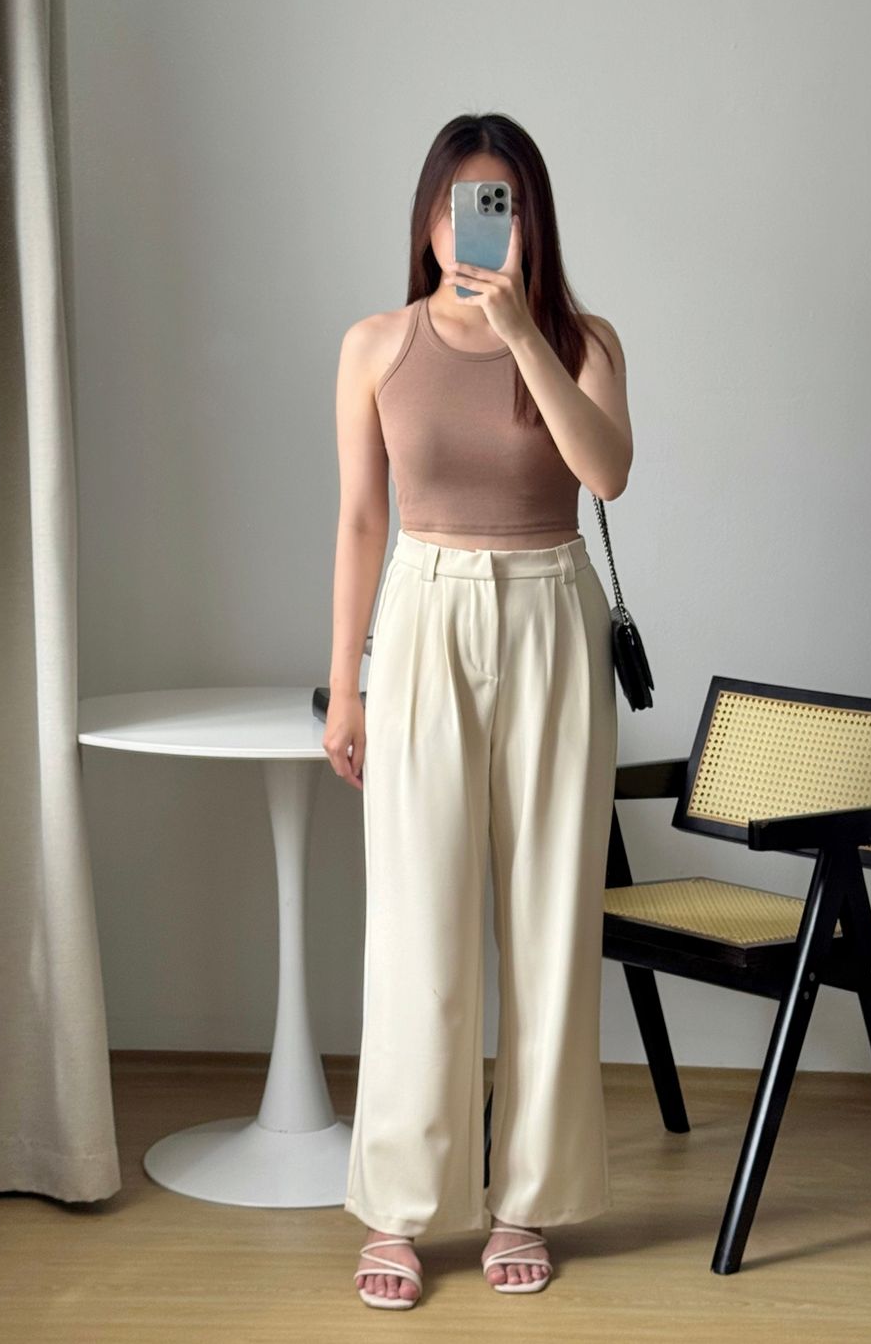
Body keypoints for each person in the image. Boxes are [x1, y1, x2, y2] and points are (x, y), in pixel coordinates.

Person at [324, 111, 633, 1310]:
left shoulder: (584, 341)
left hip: (552, 609)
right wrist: (344, 682)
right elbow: (362, 519)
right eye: (460, 204)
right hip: (423, 615)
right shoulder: (375, 345)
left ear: (531, 221)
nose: (476, 228)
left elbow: (605, 471)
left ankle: (525, 1203)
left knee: (550, 922)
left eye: (501, 205)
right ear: (428, 218)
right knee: (419, 926)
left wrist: (520, 337)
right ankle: (401, 1210)